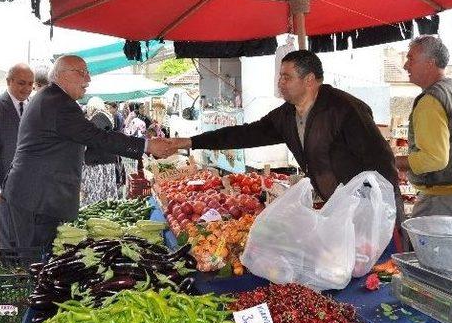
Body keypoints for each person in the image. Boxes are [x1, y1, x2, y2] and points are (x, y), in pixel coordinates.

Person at [169, 50, 402, 217]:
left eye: (286, 77)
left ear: (309, 80)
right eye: (280, 76)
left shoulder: (344, 109)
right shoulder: (287, 115)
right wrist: (189, 141)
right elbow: (245, 134)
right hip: (338, 207)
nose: (279, 82)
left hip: (370, 209)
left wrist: (378, 210)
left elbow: (381, 161)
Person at [3, 55, 172, 251]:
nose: (88, 79)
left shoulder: (52, 98)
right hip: (37, 199)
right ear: (61, 75)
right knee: (35, 259)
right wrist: (147, 146)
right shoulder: (58, 103)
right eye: (82, 72)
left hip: (37, 196)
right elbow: (97, 136)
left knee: (40, 257)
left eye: (88, 73)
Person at [396, 36, 452, 218]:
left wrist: (395, 161)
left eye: (411, 59)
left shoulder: (431, 101)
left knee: (428, 248)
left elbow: (435, 159)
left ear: (430, 63)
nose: (405, 66)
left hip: (443, 203)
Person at [0, 64, 33, 249]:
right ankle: (9, 272)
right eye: (21, 83)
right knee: (6, 234)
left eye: (30, 84)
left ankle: (26, 270)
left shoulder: (34, 106)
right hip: (2, 184)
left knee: (27, 233)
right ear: (9, 81)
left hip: (30, 185)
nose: (26, 88)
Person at [81, 97, 119, 207]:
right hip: (105, 161)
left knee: (94, 194)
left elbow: (91, 139)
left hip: (97, 163)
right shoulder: (105, 117)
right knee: (105, 193)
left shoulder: (98, 118)